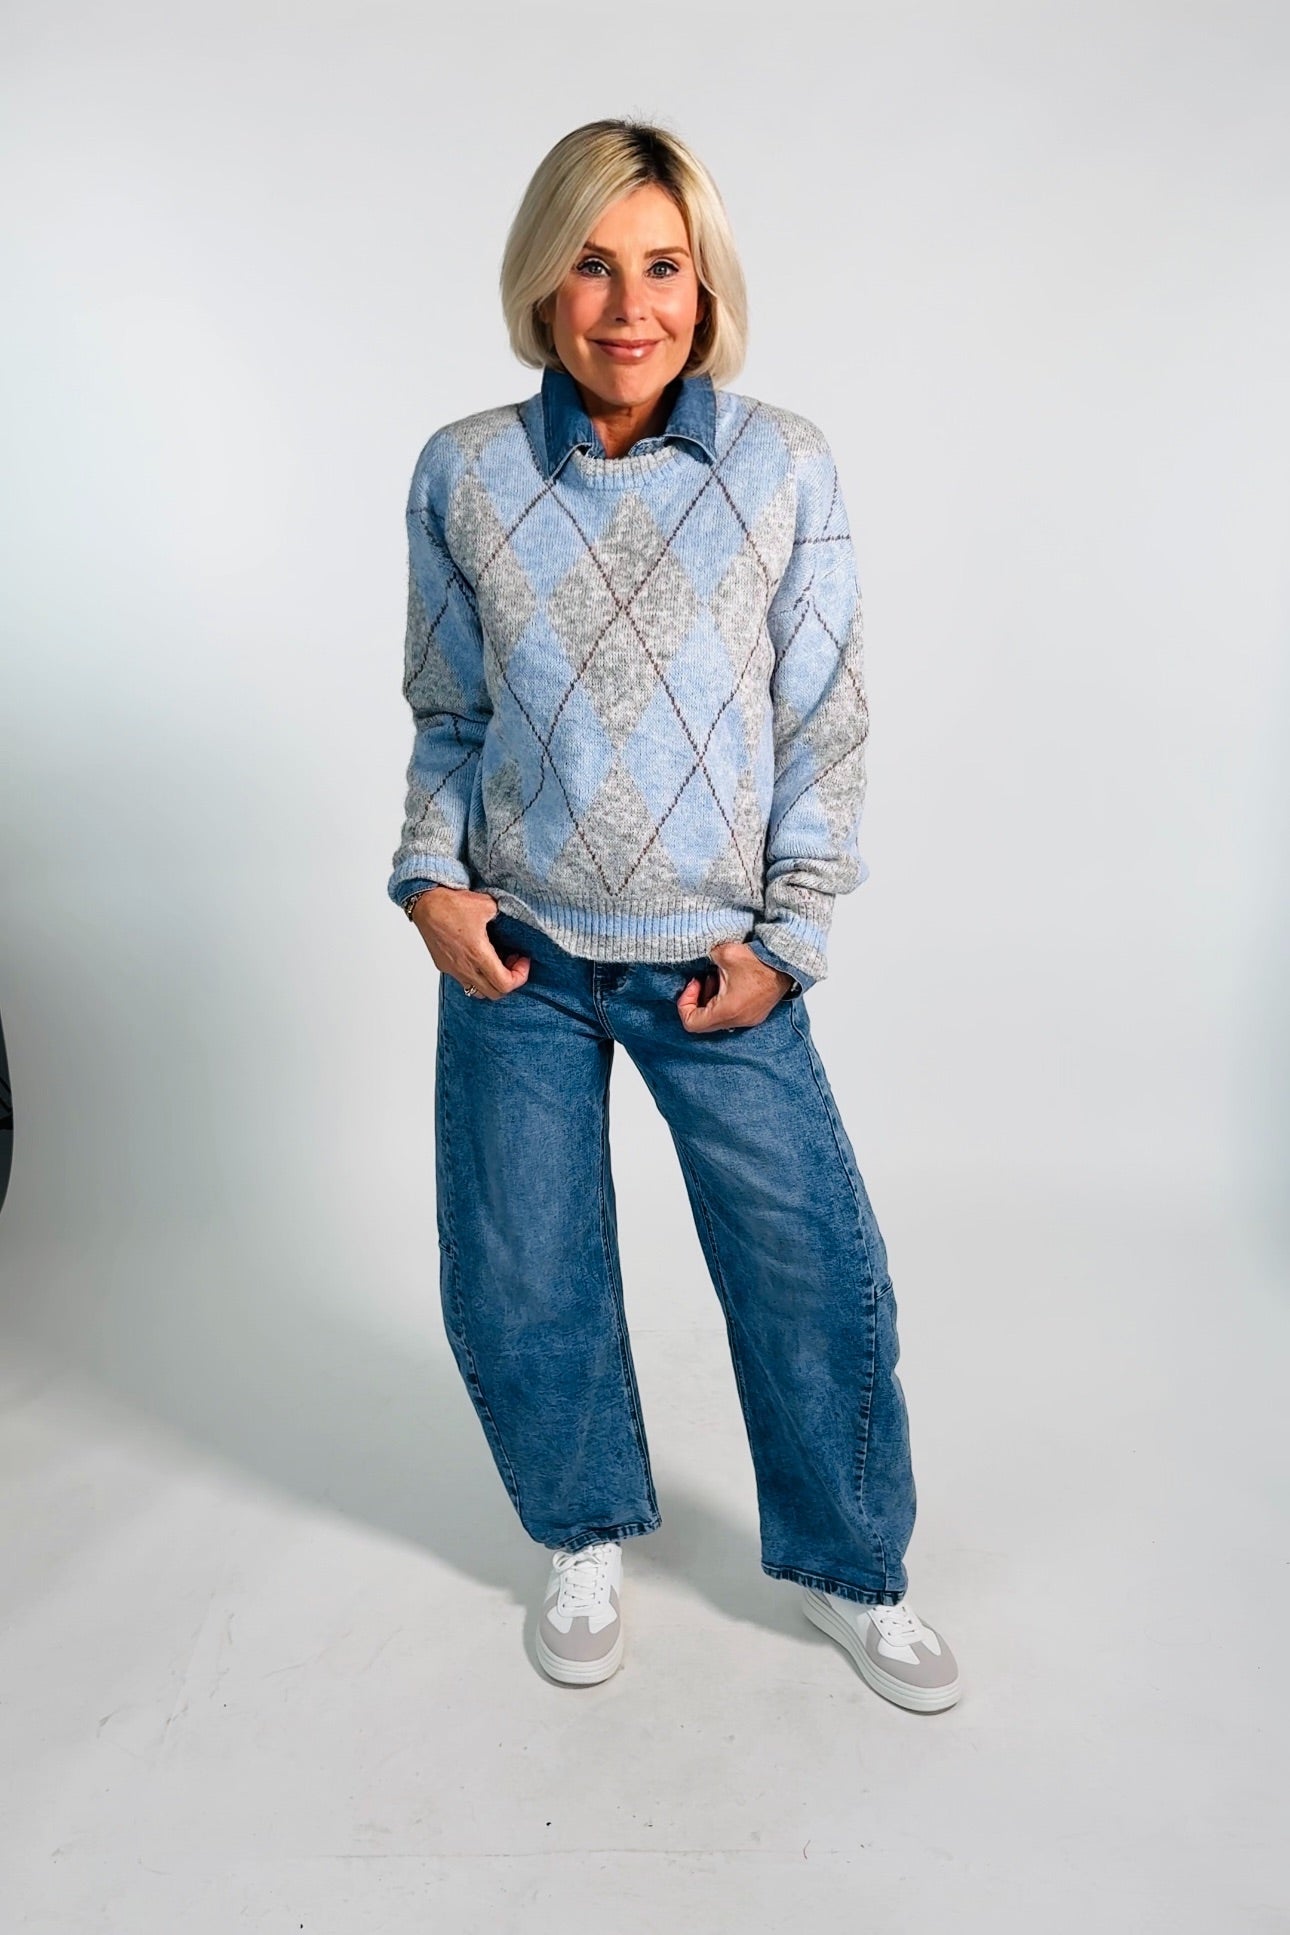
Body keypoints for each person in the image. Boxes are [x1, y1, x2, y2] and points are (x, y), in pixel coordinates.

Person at [387, 119, 960, 1712]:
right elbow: (448, 712)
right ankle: (579, 1533)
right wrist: (429, 881)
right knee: (522, 1270)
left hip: (716, 961)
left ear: (704, 289)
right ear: (540, 281)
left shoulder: (783, 464)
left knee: (807, 1266)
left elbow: (824, 718)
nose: (627, 306)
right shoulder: (465, 470)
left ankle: (849, 1568)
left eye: (661, 267)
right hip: (517, 952)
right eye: (591, 264)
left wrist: (787, 939)